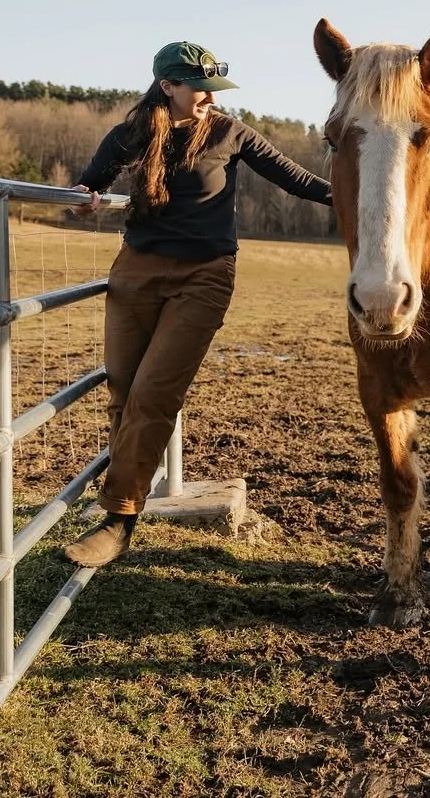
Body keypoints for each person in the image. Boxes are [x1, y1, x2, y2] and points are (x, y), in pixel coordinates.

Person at [63, 41, 332, 567]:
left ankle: (119, 518)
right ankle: (124, 495)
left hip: (204, 276)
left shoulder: (231, 132)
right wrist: (81, 196)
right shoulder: (132, 134)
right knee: (122, 389)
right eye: (199, 88)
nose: (210, 97)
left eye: (214, 88)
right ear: (168, 87)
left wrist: (358, 194)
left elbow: (295, 180)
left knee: (152, 393)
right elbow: (90, 182)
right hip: (136, 271)